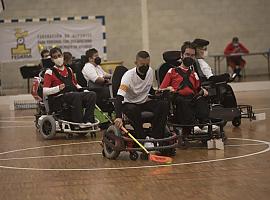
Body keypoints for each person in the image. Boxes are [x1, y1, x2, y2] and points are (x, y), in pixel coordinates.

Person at [114, 51, 169, 140]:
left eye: (147, 64)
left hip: (143, 102)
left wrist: (156, 93)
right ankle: (142, 137)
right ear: (136, 63)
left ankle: (155, 136)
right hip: (129, 103)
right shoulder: (128, 76)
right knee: (133, 109)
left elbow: (148, 89)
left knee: (163, 105)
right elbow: (119, 97)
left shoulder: (150, 72)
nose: (145, 67)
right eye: (142, 64)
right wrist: (118, 117)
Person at [160, 41, 209, 134]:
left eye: (192, 55)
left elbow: (198, 89)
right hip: (178, 98)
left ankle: (205, 124)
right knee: (183, 101)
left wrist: (203, 90)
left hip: (192, 98)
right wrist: (169, 88)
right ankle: (193, 126)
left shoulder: (194, 73)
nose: (189, 57)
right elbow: (161, 89)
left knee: (200, 100)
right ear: (182, 55)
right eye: (187, 54)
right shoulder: (172, 71)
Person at [43, 47, 96, 125]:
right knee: (76, 95)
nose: (58, 58)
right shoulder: (49, 72)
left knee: (92, 94)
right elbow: (45, 91)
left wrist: (84, 90)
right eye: (55, 57)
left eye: (59, 55)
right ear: (52, 60)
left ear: (62, 56)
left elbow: (75, 84)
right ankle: (79, 122)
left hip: (72, 95)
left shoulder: (69, 70)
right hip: (59, 98)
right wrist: (57, 88)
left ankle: (88, 120)